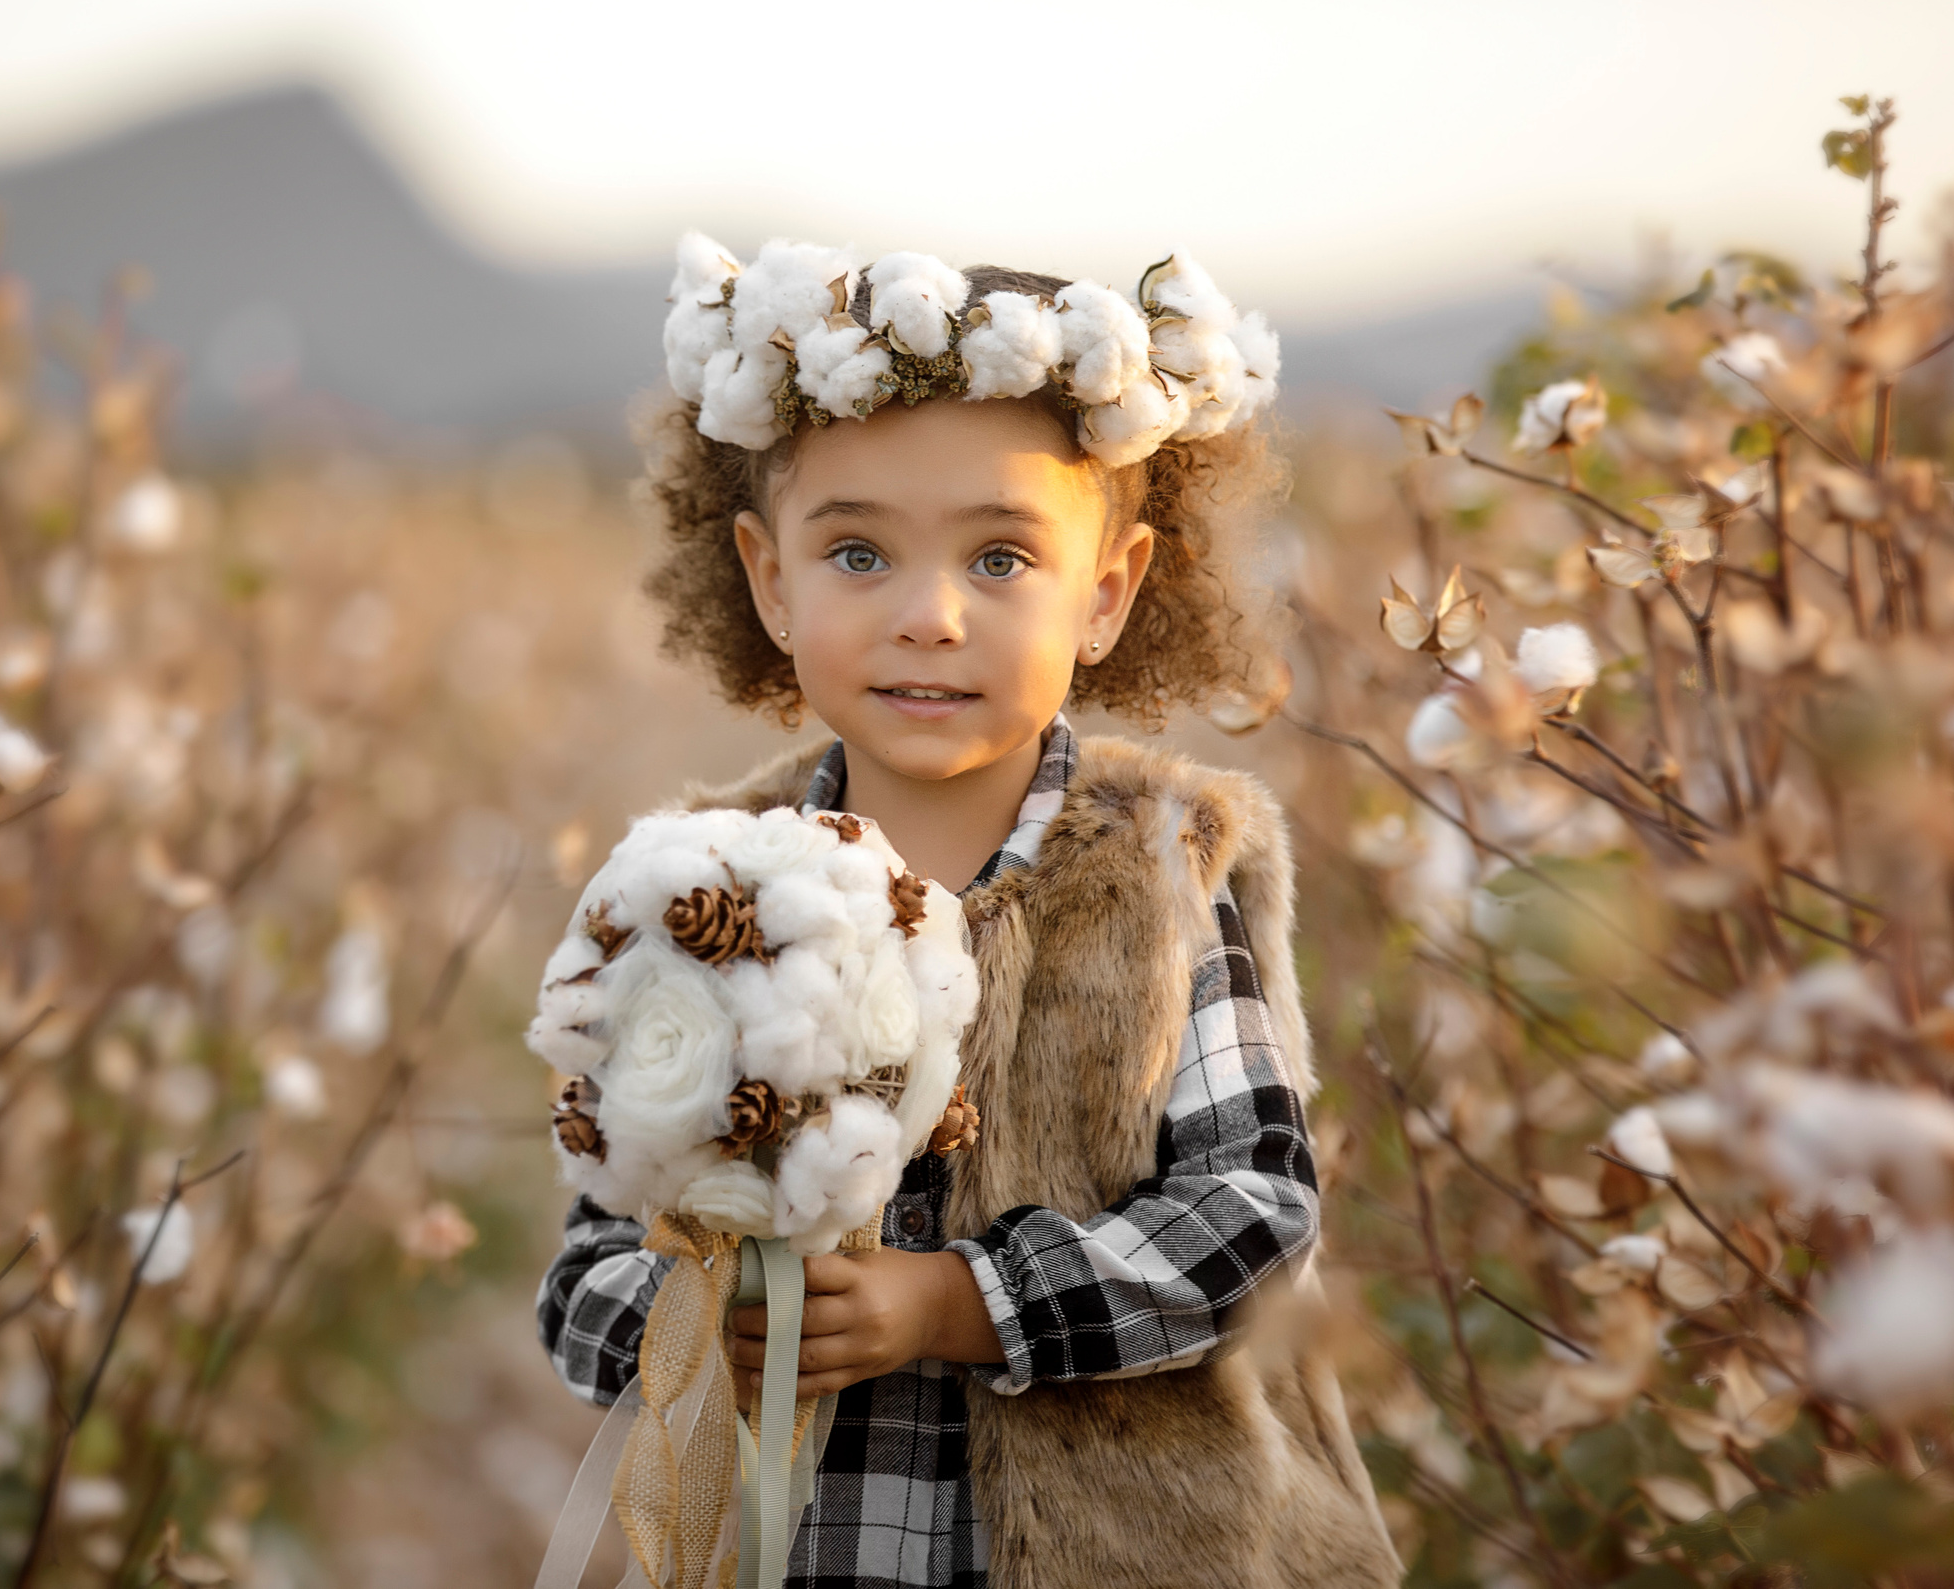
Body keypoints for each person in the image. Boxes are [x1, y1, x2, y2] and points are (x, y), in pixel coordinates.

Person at [537, 237, 1400, 1589]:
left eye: (1000, 559)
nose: (930, 615)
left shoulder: (1159, 872)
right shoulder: (709, 890)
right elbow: (587, 1268)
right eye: (859, 553)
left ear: (1104, 593)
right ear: (770, 581)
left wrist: (963, 1303)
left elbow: (1253, 1214)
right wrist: (709, 1316)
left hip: (1131, 1553)